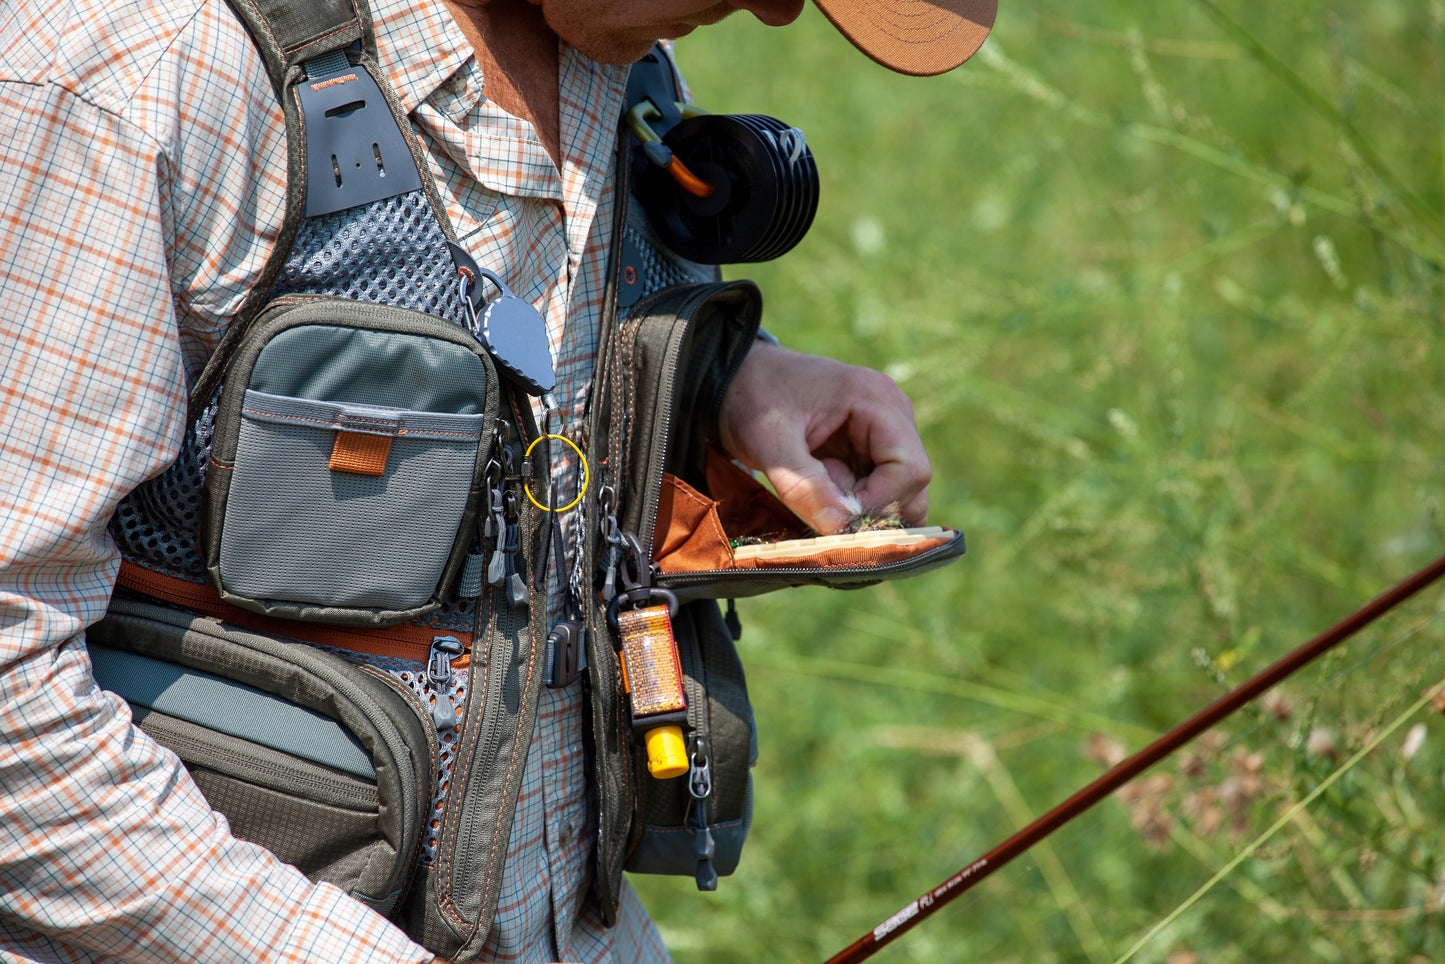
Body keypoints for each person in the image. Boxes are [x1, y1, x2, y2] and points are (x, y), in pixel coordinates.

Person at [0, 0, 993, 961]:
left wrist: (731, 376)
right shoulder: (141, 68)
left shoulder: (615, 59)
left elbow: (519, 349)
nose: (777, 15)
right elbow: (12, 693)